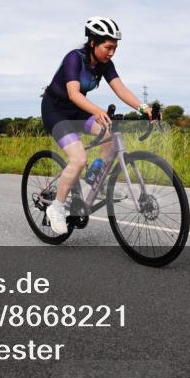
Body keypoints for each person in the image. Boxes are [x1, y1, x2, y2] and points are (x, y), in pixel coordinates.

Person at [40, 17, 152, 234]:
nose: (111, 52)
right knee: (79, 158)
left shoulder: (105, 65)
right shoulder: (74, 58)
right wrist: (97, 110)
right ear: (93, 43)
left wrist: (143, 108)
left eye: (115, 48)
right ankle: (56, 207)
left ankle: (94, 177)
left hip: (77, 110)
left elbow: (121, 89)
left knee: (109, 134)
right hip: (56, 111)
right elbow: (73, 94)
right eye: (108, 47)